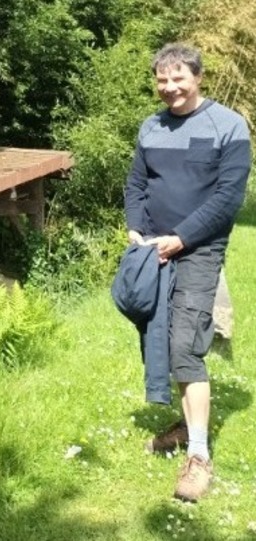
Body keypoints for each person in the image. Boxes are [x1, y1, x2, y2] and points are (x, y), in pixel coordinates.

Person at [125, 43, 251, 502]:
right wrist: (137, 230)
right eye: (162, 79)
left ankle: (199, 456)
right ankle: (184, 425)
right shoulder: (150, 127)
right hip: (151, 251)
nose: (170, 88)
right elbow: (137, 184)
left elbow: (226, 199)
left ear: (198, 77)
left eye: (178, 78)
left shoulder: (229, 125)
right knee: (159, 339)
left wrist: (180, 237)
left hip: (198, 250)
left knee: (185, 345)